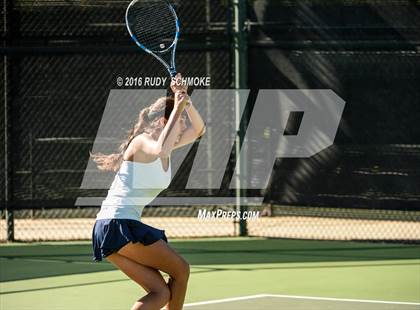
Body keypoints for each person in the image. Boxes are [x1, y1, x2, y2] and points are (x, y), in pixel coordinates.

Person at [91, 73, 205, 310]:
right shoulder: (142, 142)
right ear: (164, 122)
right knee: (181, 269)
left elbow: (199, 130)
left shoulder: (167, 146)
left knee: (160, 292)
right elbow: (161, 148)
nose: (182, 123)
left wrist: (187, 101)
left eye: (182, 119)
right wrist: (178, 103)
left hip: (111, 226)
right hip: (116, 223)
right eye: (178, 119)